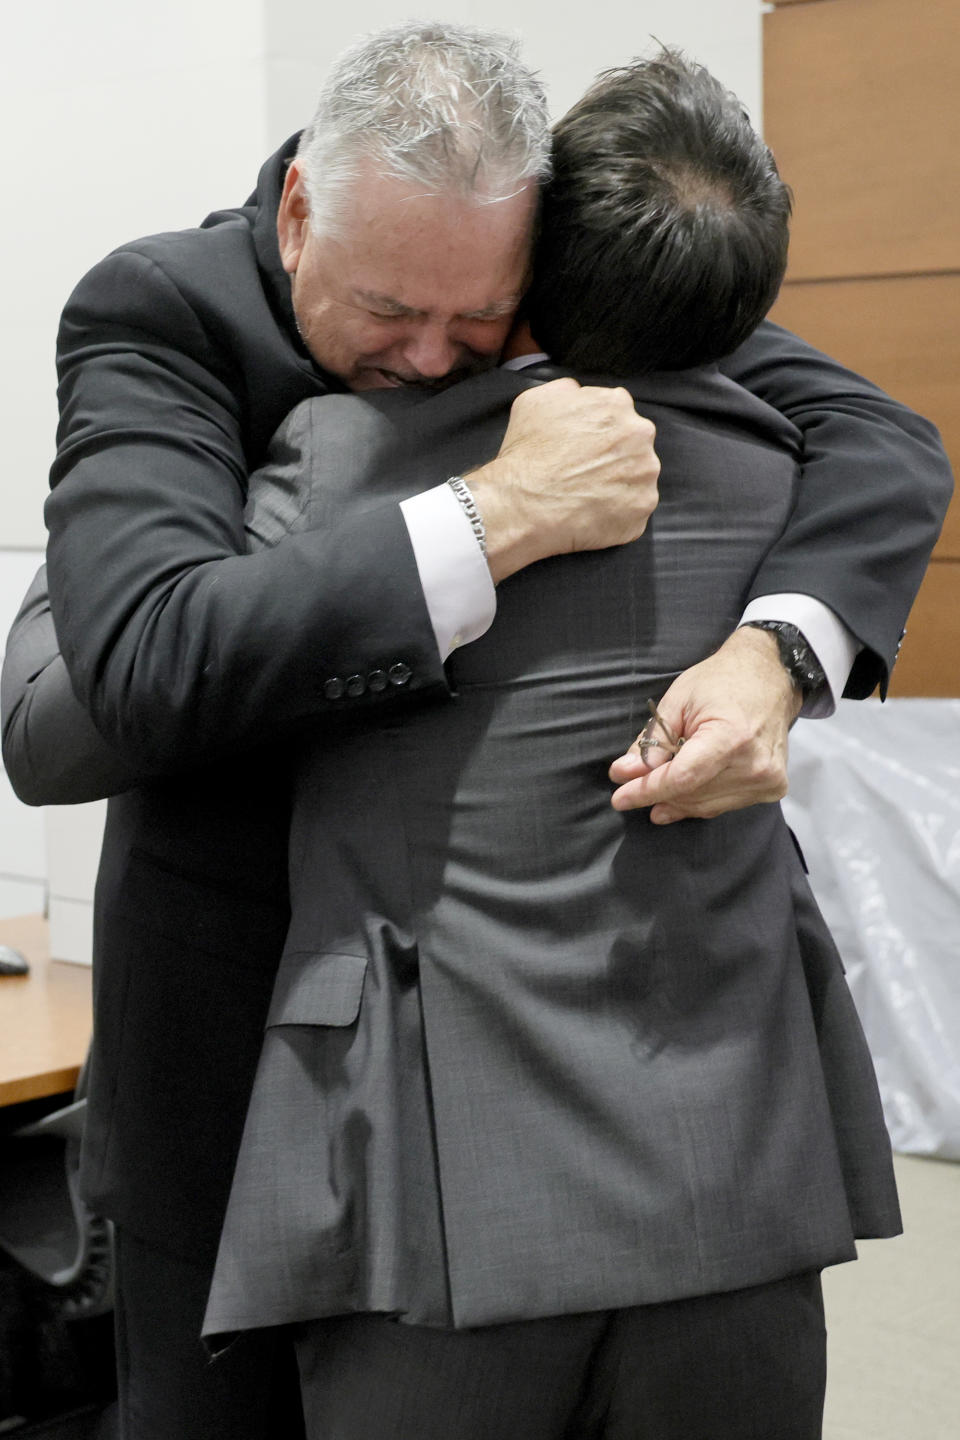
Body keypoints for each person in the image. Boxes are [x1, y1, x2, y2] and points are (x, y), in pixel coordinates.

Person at [0, 22, 951, 1440]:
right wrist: (487, 518)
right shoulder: (169, 311)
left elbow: (877, 435)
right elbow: (114, 681)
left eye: (484, 319)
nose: (439, 363)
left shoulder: (541, 265)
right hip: (237, 1016)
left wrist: (775, 654)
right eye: (389, 313)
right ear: (307, 210)